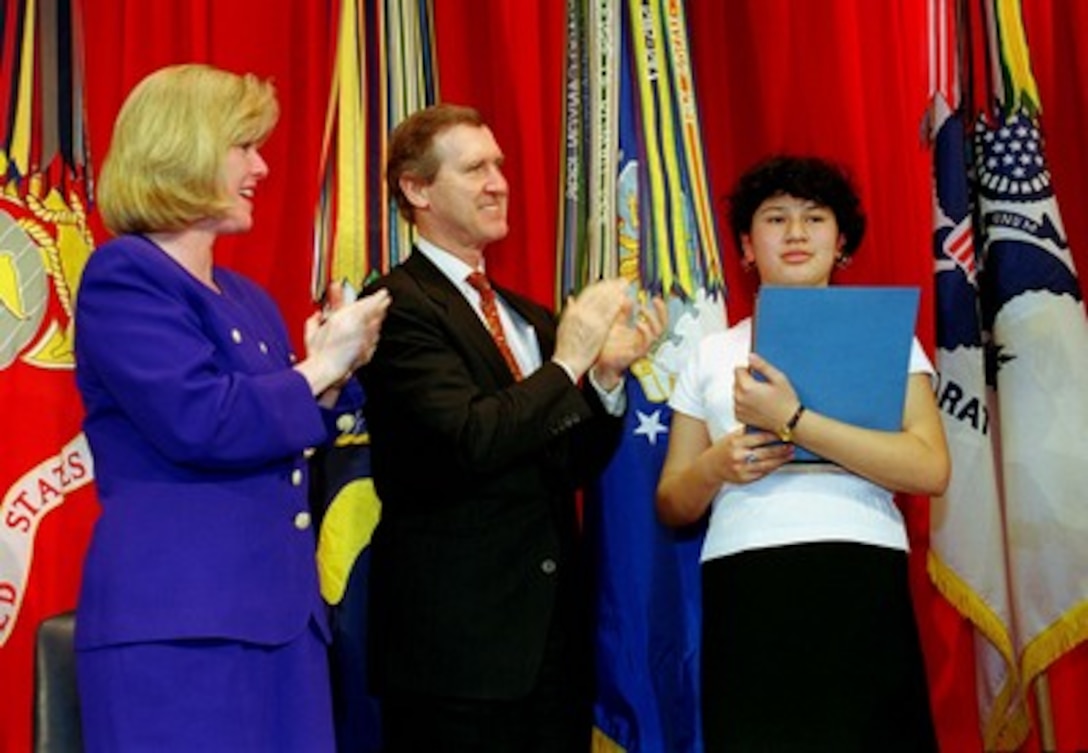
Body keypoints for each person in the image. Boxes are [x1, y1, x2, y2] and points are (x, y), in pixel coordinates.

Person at [72, 64, 390, 753]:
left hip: (281, 623)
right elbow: (202, 419)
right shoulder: (125, 275)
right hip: (182, 628)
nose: (263, 165)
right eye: (243, 146)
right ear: (183, 149)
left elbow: (276, 430)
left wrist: (333, 380)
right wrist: (318, 369)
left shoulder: (249, 298)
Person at [358, 103, 665, 753]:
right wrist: (569, 362)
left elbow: (564, 466)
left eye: (498, 164)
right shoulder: (396, 307)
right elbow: (473, 438)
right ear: (416, 189)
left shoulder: (525, 315)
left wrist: (606, 379)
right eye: (474, 168)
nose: (499, 181)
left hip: (551, 650)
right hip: (455, 660)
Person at [656, 155, 950, 752]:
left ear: (841, 242)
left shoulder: (889, 338)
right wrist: (717, 466)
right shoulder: (710, 352)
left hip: (860, 570)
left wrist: (792, 422)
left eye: (815, 218)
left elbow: (929, 467)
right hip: (748, 581)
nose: (795, 233)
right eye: (775, 218)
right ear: (745, 244)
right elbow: (671, 503)